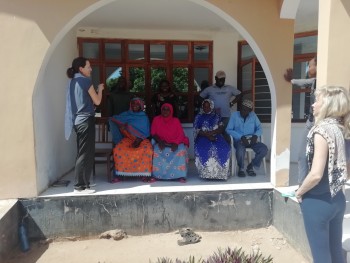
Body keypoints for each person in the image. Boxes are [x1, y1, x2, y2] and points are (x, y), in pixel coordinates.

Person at [295, 85, 350, 263]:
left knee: (321, 257)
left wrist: (300, 191)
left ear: (327, 105)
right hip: (338, 200)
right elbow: (346, 172)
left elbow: (316, 174)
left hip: (317, 202)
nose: (313, 105)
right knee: (335, 252)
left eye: (317, 100)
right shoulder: (344, 130)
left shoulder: (322, 131)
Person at [65, 57, 104, 194]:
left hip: (79, 121)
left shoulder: (73, 82)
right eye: (88, 67)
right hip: (85, 121)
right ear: (81, 69)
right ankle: (79, 186)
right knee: (84, 153)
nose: (91, 69)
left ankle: (85, 184)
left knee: (87, 152)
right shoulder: (85, 81)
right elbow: (98, 101)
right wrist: (100, 89)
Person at [284, 57, 317, 183]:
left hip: (321, 123)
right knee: (302, 155)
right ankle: (301, 186)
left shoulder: (323, 83)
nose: (308, 68)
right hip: (311, 121)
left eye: (310, 65)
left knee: (317, 158)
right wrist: (291, 79)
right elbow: (300, 82)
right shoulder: (313, 81)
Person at [109, 98, 153, 183]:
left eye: (137, 104)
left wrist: (139, 140)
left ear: (141, 106)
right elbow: (113, 119)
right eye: (133, 103)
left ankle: (143, 174)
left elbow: (146, 132)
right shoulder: (125, 115)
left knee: (147, 150)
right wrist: (121, 130)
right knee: (119, 149)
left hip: (142, 139)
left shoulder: (144, 117)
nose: (134, 105)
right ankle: (120, 175)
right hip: (128, 138)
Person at [225, 99, 268, 177]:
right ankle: (241, 168)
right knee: (240, 150)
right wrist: (240, 137)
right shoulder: (234, 115)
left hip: (252, 140)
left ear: (250, 111)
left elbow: (259, 128)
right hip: (239, 141)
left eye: (245, 110)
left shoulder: (253, 115)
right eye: (242, 109)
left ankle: (250, 167)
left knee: (264, 149)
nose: (243, 111)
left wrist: (255, 136)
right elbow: (228, 129)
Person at [151, 103, 189, 182]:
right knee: (157, 150)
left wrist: (175, 143)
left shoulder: (175, 120)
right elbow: (153, 133)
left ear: (171, 111)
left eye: (167, 109)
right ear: (161, 110)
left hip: (174, 142)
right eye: (163, 109)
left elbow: (181, 134)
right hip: (161, 142)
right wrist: (159, 141)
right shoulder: (156, 119)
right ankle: (157, 175)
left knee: (181, 150)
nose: (165, 111)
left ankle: (180, 175)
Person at [193, 99, 231, 180]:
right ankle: (206, 175)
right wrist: (207, 135)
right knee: (203, 149)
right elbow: (197, 130)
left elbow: (221, 128)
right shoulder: (198, 117)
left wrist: (212, 133)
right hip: (203, 137)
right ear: (202, 107)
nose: (206, 108)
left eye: (208, 106)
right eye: (204, 106)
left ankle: (221, 175)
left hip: (217, 136)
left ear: (212, 107)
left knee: (224, 148)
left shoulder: (217, 116)